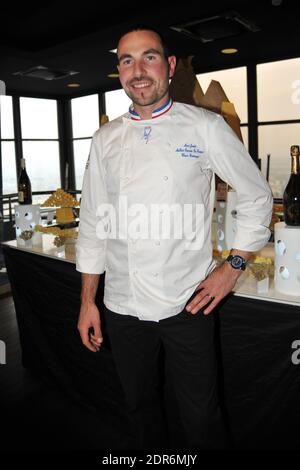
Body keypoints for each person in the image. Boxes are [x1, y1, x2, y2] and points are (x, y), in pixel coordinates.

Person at [76, 25, 273, 450]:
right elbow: (93, 223)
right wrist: (88, 301)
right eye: (127, 60)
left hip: (188, 301)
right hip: (122, 305)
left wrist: (232, 267)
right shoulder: (105, 139)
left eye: (148, 57)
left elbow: (257, 195)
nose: (138, 70)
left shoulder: (204, 126)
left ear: (167, 66)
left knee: (201, 418)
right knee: (139, 406)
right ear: (119, 72)